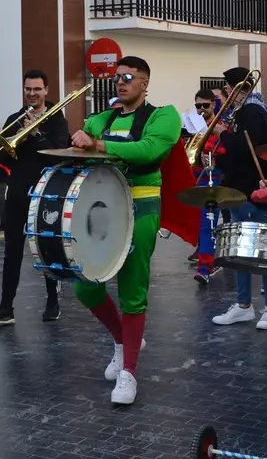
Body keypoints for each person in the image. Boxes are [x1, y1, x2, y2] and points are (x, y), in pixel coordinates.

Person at [69, 56, 182, 405]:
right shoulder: (100, 119)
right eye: (117, 77)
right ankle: (123, 340)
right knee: (85, 285)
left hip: (142, 204)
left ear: (145, 83)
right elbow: (82, 150)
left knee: (133, 290)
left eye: (129, 77)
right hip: (102, 207)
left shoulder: (164, 116)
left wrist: (99, 144)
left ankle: (129, 372)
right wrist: (77, 140)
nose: (121, 82)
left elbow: (149, 151)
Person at [0, 69, 69, 326]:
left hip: (44, 192)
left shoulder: (56, 118)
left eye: (37, 89)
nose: (32, 93)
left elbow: (59, 153)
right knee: (12, 251)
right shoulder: (14, 118)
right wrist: (12, 143)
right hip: (18, 191)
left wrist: (35, 134)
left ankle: (52, 301)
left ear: (46, 91)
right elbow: (0, 157)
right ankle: (5, 307)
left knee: (46, 247)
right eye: (28, 89)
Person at [212, 66, 267, 330]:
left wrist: (222, 133)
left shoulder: (252, 111)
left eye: (228, 88)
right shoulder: (245, 111)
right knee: (240, 251)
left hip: (253, 190)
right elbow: (237, 154)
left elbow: (243, 146)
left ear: (235, 88)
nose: (227, 93)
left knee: (262, 252)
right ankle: (243, 306)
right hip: (239, 189)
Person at [190, 88, 224, 284]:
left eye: (205, 105)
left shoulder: (220, 127)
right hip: (195, 177)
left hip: (212, 178)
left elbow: (226, 153)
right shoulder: (192, 127)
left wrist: (214, 158)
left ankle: (205, 268)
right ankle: (209, 260)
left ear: (213, 105)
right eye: (198, 106)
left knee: (207, 224)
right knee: (200, 224)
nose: (201, 109)